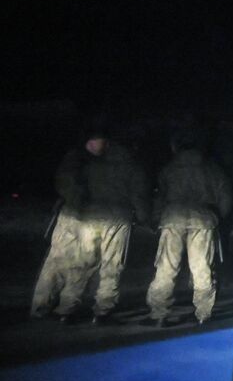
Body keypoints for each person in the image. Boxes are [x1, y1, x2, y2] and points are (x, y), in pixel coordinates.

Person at [30, 120, 150, 324]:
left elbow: (69, 184)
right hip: (108, 218)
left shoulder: (88, 162)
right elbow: (138, 195)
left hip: (86, 216)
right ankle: (101, 310)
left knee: (79, 264)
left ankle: (63, 309)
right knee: (110, 266)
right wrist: (144, 218)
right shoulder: (129, 164)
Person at [143, 128, 233, 326]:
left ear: (177, 146)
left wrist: (155, 219)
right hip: (203, 219)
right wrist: (218, 217)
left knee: (166, 266)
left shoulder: (169, 168)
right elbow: (225, 196)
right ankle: (203, 314)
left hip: (173, 218)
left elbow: (159, 197)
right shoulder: (212, 169)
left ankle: (158, 314)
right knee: (202, 268)